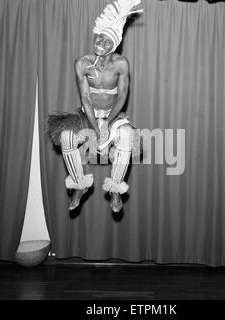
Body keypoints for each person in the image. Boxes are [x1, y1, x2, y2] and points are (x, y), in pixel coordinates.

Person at [47, 0, 143, 213]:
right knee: (66, 137)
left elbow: (122, 97)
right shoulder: (82, 63)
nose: (100, 42)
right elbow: (86, 99)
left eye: (106, 41)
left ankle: (116, 188)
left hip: (113, 115)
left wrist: (107, 124)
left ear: (114, 44)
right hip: (88, 114)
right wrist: (94, 126)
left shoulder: (121, 64)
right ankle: (79, 184)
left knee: (126, 135)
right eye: (99, 37)